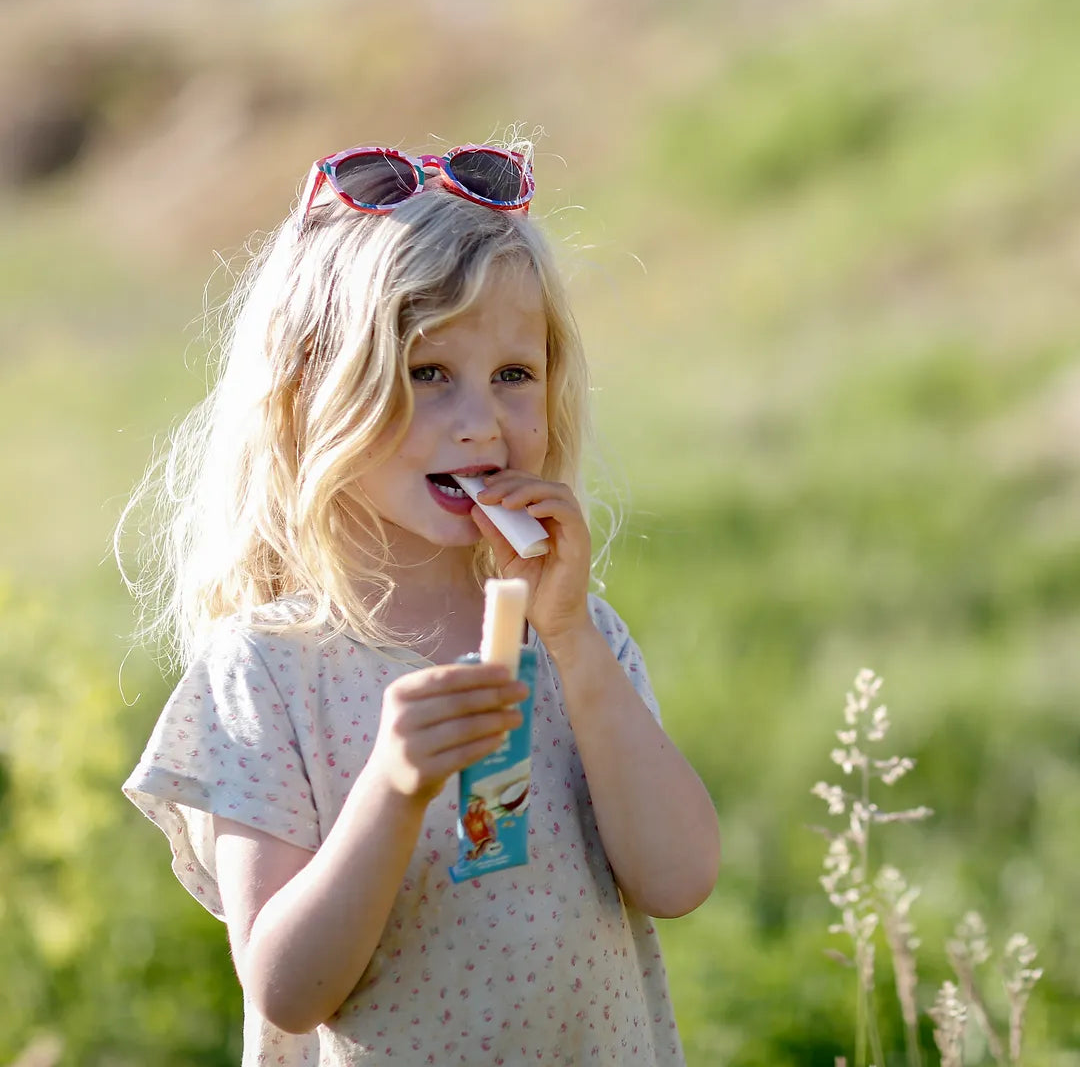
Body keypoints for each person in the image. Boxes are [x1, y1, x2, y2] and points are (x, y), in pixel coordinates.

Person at [120, 139, 720, 1066]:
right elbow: (288, 987)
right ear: (307, 397)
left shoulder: (577, 635)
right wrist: (392, 791)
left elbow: (679, 878)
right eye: (426, 373)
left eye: (514, 375)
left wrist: (568, 635)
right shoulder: (269, 671)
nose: (479, 419)